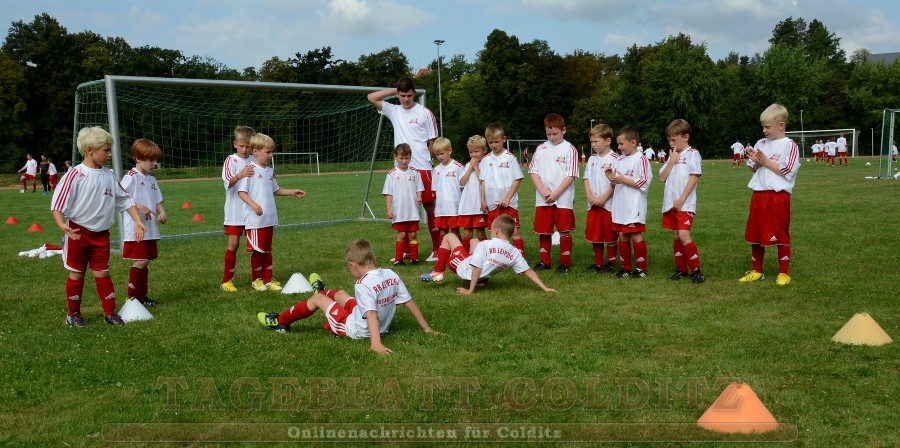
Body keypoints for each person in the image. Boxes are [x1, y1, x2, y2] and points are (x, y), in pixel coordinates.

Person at [257, 239, 437, 355]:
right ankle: (320, 289)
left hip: (355, 329)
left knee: (318, 301)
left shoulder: (362, 283)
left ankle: (281, 321)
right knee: (341, 294)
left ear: (353, 265)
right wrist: (426, 327)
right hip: (372, 321)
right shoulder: (391, 274)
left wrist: (375, 343)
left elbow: (371, 314)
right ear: (372, 258)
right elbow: (408, 302)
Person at [51, 126, 147, 327]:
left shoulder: (108, 175)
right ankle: (73, 314)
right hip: (78, 232)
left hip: (101, 234)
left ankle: (110, 313)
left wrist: (138, 220)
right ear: (89, 151)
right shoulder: (75, 175)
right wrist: (62, 225)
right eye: (106, 150)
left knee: (102, 272)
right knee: (77, 273)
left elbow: (125, 199)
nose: (110, 154)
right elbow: (58, 203)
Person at [368, 78, 440, 260]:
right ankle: (407, 251)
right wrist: (393, 90)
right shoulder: (393, 110)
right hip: (401, 170)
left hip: (422, 167)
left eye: (409, 95)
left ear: (414, 93)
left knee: (430, 206)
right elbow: (371, 97)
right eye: (402, 96)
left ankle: (438, 250)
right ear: (398, 95)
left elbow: (433, 141)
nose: (406, 99)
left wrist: (428, 159)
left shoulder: (425, 113)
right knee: (403, 206)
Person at [236, 133, 307, 291]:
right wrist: (254, 205)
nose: (271, 155)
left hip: (269, 219)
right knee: (258, 251)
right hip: (255, 221)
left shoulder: (269, 171)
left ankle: (268, 279)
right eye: (267, 152)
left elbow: (276, 189)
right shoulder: (250, 170)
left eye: (271, 151)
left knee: (267, 251)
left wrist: (292, 192)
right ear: (255, 151)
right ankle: (256, 280)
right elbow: (241, 192)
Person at [419, 214, 557, 295]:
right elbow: (528, 271)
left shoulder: (485, 245)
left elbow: (477, 268)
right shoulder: (514, 252)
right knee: (474, 240)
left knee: (449, 236)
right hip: (481, 274)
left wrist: (470, 290)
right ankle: (482, 281)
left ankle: (438, 272)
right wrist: (545, 288)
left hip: (462, 268)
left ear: (496, 231)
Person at [740, 103, 800, 286]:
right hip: (758, 195)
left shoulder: (790, 145)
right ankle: (757, 270)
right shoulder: (761, 143)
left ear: (781, 125)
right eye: (763, 127)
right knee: (755, 233)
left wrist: (765, 161)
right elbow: (754, 169)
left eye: (768, 127)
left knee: (780, 233)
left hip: (777, 196)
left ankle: (784, 273)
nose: (764, 130)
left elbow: (787, 170)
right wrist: (756, 161)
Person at [120, 139, 167, 307]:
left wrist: (161, 212)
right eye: (151, 160)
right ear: (137, 158)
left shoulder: (151, 179)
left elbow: (157, 200)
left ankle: (142, 297)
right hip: (136, 228)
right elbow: (121, 197)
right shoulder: (131, 177)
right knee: (140, 260)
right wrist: (140, 206)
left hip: (150, 228)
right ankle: (131, 297)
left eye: (156, 160)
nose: (154, 164)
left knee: (145, 261)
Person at [529, 114, 578, 273]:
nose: (552, 137)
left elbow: (571, 174)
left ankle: (565, 263)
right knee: (544, 230)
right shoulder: (541, 148)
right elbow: (533, 171)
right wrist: (543, 190)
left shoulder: (570, 149)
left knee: (564, 230)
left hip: (562, 197)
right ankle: (544, 261)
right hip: (543, 198)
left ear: (564, 130)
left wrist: (556, 193)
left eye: (555, 133)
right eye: (548, 134)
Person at [659, 119, 704, 283]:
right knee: (676, 235)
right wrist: (671, 161)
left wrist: (681, 199)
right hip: (670, 204)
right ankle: (681, 269)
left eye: (674, 139)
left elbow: (694, 178)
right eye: (669, 140)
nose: (671, 143)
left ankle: (696, 270)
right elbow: (662, 178)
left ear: (685, 137)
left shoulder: (693, 154)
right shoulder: (672, 156)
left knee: (684, 235)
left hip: (684, 204)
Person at [606, 125, 652, 278]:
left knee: (635, 235)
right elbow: (616, 182)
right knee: (622, 236)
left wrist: (623, 179)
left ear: (633, 142)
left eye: (621, 144)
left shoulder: (641, 159)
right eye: (617, 144)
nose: (618, 147)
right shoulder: (619, 159)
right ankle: (626, 268)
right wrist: (610, 175)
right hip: (620, 205)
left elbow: (644, 182)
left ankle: (641, 269)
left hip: (634, 205)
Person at [480, 122, 526, 256]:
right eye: (490, 142)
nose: (494, 145)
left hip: (509, 204)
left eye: (496, 142)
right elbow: (483, 181)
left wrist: (507, 197)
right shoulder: (486, 160)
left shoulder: (510, 158)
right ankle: (496, 258)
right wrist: (483, 200)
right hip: (492, 204)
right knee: (494, 232)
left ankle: (519, 256)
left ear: (504, 139)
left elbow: (517, 179)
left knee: (514, 231)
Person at [220, 126, 256, 292]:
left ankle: (259, 279)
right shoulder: (231, 160)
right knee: (234, 244)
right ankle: (227, 280)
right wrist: (240, 174)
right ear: (235, 144)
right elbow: (228, 182)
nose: (244, 149)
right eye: (241, 146)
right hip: (235, 211)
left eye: (248, 146)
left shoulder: (255, 161)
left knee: (257, 245)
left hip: (252, 211)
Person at [583, 123, 619, 274]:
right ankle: (597, 263)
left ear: (608, 141)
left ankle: (611, 263)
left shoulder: (616, 158)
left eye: (596, 141)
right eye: (591, 141)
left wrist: (604, 197)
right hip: (593, 204)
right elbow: (586, 179)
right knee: (595, 235)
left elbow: (616, 181)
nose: (593, 145)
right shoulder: (591, 159)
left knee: (610, 235)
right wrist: (590, 196)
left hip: (609, 204)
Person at [383, 143, 424, 266]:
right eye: (401, 158)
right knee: (401, 234)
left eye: (406, 158)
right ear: (395, 157)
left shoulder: (415, 173)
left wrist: (419, 197)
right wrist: (389, 209)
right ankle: (398, 259)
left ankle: (414, 258)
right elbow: (388, 193)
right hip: (399, 212)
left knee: (413, 234)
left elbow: (419, 188)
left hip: (412, 211)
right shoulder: (392, 174)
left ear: (410, 157)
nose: (404, 161)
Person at [457, 135, 489, 249]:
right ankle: (465, 254)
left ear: (484, 150)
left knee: (480, 232)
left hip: (479, 206)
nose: (473, 155)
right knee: (467, 232)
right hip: (468, 206)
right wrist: (470, 168)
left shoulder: (486, 165)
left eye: (476, 151)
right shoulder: (467, 166)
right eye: (471, 152)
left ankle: (484, 253)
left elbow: (483, 180)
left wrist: (475, 167)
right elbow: (462, 182)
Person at [431, 137, 464, 241]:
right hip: (441, 209)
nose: (440, 157)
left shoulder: (458, 167)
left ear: (449, 150)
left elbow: (463, 188)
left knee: (455, 231)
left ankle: (458, 253)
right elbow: (435, 191)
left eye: (442, 153)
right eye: (437, 154)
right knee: (442, 232)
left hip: (454, 208)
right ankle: (444, 254)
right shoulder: (436, 170)